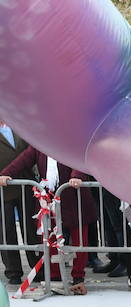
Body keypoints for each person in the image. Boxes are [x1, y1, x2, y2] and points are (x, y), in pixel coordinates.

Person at [0, 146, 97, 294]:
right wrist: (5, 174)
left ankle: (78, 278)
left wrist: (77, 176)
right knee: (49, 239)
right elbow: (22, 161)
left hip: (75, 198)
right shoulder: (39, 145)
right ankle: (54, 278)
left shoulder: (70, 140)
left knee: (79, 241)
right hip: (51, 200)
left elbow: (79, 159)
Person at [0, 118, 39, 284]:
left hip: (25, 185)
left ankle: (37, 267)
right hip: (3, 189)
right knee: (6, 229)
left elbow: (31, 152)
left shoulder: (19, 126)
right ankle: (13, 272)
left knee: (30, 228)